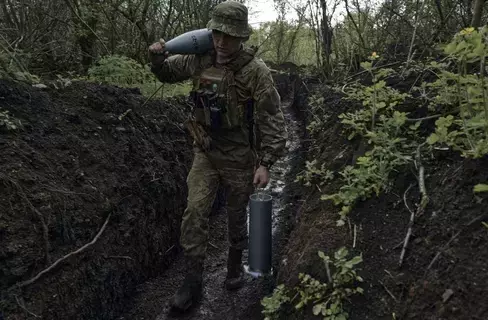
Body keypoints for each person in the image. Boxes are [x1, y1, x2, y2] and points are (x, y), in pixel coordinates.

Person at [148, 0, 288, 312]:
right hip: (206, 150)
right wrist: (157, 60)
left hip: (240, 156)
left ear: (242, 38)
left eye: (229, 36)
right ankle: (192, 280)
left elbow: (272, 119)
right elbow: (168, 74)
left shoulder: (255, 72)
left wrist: (266, 162)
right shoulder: (200, 59)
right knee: (194, 211)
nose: (221, 42)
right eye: (216, 34)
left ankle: (235, 265)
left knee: (238, 216)